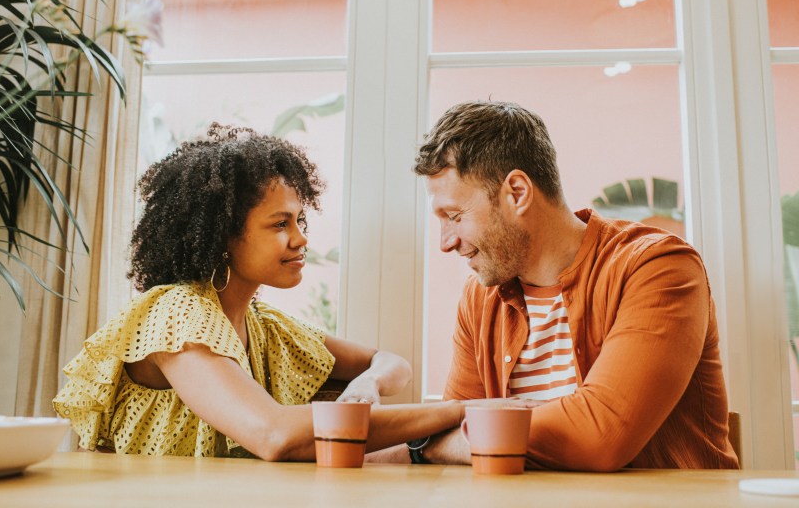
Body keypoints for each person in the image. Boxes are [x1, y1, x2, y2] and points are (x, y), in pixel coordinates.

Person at [53, 123, 462, 460]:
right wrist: (459, 411)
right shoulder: (178, 314)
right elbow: (275, 435)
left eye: (300, 220)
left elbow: (391, 362)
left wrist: (368, 383)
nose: (301, 239)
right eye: (280, 224)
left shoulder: (264, 327)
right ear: (223, 236)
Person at [381, 100, 738, 470]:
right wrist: (445, 442)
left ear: (517, 192)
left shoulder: (657, 267)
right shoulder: (481, 296)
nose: (446, 242)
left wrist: (427, 447)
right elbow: (449, 430)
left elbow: (599, 436)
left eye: (454, 216)